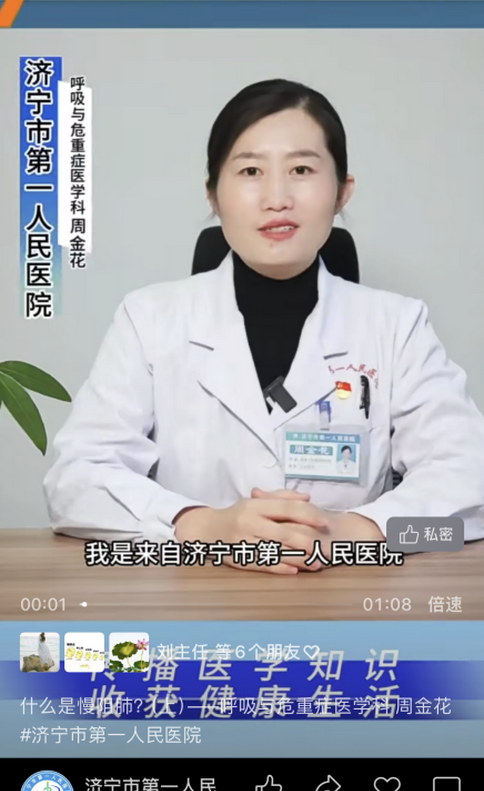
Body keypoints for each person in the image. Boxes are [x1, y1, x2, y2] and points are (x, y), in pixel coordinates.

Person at [43, 78, 484, 574]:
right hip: (192, 597)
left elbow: (471, 492)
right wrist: (201, 526)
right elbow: (72, 486)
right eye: (250, 170)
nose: (277, 198)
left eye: (301, 170)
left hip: (350, 600)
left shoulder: (398, 326)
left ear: (342, 192)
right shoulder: (149, 319)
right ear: (213, 194)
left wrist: (357, 533)